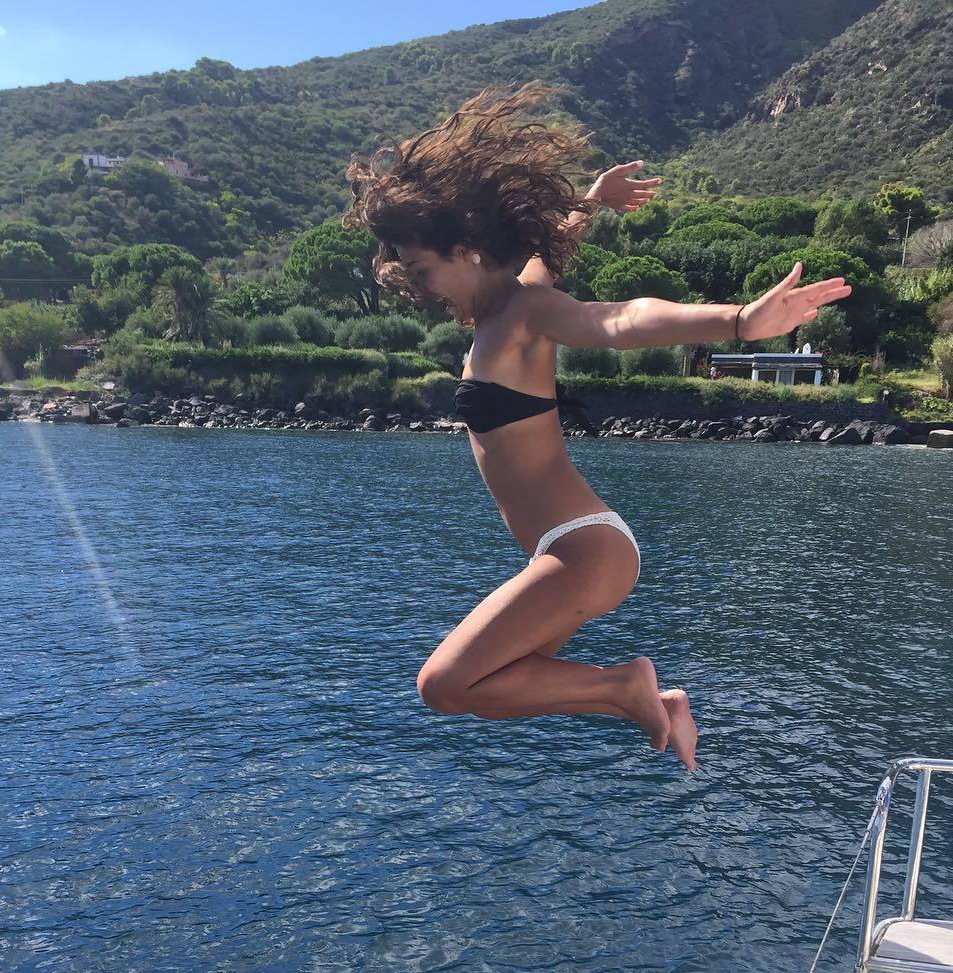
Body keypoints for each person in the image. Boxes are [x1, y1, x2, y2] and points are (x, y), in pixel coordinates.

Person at [342, 83, 851, 772]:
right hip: (564, 548)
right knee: (484, 686)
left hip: (584, 549)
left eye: (423, 269)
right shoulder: (504, 308)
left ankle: (626, 685)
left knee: (442, 683)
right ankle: (652, 699)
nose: (419, 284)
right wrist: (592, 201)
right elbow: (554, 250)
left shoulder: (525, 311)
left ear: (466, 251)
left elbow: (617, 320)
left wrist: (737, 321)